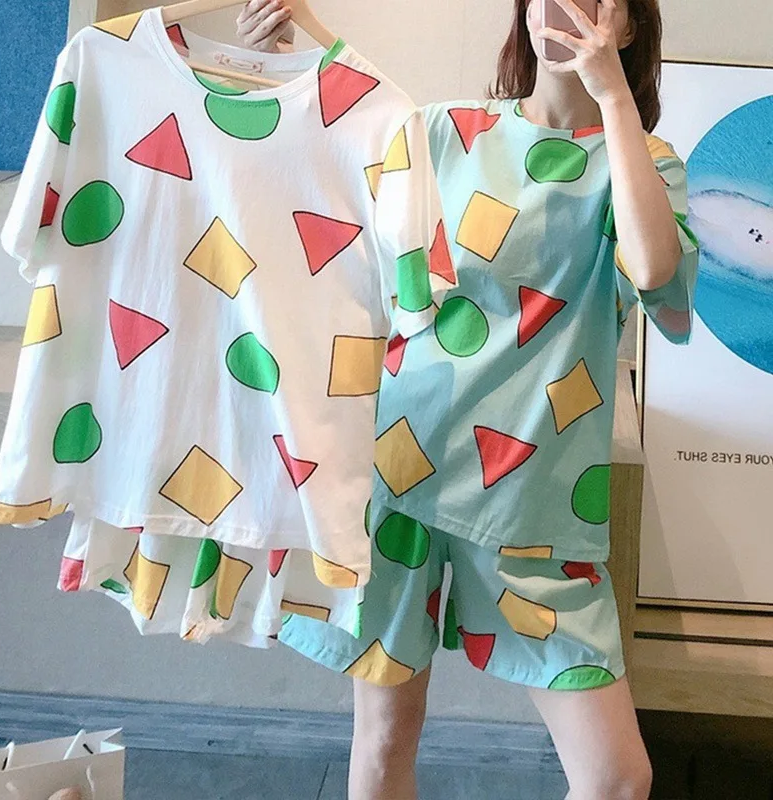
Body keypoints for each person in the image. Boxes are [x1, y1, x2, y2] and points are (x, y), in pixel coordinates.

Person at [238, 1, 698, 798]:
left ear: (628, 26)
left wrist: (613, 96)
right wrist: (279, 51)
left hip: (534, 501)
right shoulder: (444, 130)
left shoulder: (645, 162)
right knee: (384, 742)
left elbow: (655, 272)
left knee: (618, 779)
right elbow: (330, 147)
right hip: (399, 467)